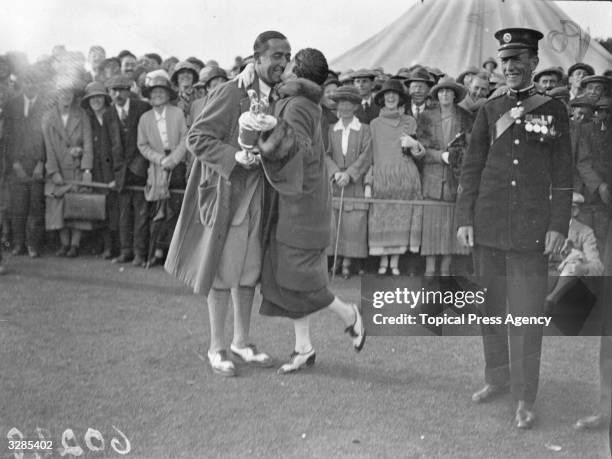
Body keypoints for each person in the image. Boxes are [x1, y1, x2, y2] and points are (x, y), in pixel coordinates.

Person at [456, 28, 572, 429]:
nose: (510, 67)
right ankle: (498, 379)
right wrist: (464, 219)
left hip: (530, 230)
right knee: (490, 311)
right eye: (505, 60)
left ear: (534, 64)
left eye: (518, 60)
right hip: (488, 226)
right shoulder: (490, 109)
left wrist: (559, 225)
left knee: (524, 316)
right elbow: (472, 167)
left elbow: (562, 173)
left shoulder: (553, 110)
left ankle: (525, 397)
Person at [165, 30, 291, 377]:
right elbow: (196, 138)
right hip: (228, 196)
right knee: (222, 273)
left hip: (259, 196)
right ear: (257, 57)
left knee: (249, 273)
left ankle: (242, 341)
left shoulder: (276, 96)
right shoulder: (230, 91)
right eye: (276, 56)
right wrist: (235, 155)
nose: (282, 62)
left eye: (286, 56)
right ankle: (216, 347)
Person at [255, 48, 366, 373]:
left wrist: (266, 139)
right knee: (289, 279)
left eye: (288, 64)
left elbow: (298, 148)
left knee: (298, 277)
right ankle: (303, 348)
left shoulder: (300, 103)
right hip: (298, 200)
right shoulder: (302, 101)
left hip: (300, 204)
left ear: (297, 71)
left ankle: (350, 315)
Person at [366, 79, 424, 276]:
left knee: (401, 220)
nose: (391, 97)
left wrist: (414, 145)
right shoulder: (373, 124)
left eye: (395, 94)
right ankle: (383, 261)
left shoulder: (410, 121)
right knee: (382, 219)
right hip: (382, 178)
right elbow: (370, 155)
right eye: (387, 94)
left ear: (400, 98)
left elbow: (418, 153)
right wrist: (369, 180)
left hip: (405, 177)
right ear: (382, 98)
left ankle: (395, 262)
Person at [419, 76, 473, 276]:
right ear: (436, 95)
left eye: (449, 91)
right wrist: (441, 156)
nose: (445, 95)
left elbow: (471, 146)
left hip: (456, 178)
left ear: (455, 95)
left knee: (451, 225)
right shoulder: (426, 116)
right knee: (432, 224)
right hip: (433, 178)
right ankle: (430, 269)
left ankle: (445, 269)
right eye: (441, 91)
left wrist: (459, 157)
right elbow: (421, 148)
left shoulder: (466, 117)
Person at [137, 76, 187, 268]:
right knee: (158, 212)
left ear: (168, 95)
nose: (157, 95)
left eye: (161, 91)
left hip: (177, 167)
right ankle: (156, 252)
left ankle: (175, 255)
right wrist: (160, 160)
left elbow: (185, 138)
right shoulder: (145, 118)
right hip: (157, 168)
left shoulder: (177, 113)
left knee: (176, 210)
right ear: (149, 96)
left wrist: (173, 159)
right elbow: (142, 145)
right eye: (154, 92)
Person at [42, 81, 94, 258]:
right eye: (62, 92)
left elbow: (88, 143)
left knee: (77, 203)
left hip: (77, 167)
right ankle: (64, 244)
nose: (66, 96)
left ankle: (75, 245)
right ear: (56, 94)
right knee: (58, 205)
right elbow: (48, 147)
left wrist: (87, 169)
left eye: (69, 93)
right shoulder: (48, 117)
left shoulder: (82, 115)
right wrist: (53, 171)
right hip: (58, 167)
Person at [325, 85, 372, 278]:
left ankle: (348, 262)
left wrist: (350, 173)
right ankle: (335, 261)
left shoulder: (364, 129)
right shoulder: (330, 130)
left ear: (355, 107)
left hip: (355, 182)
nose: (343, 107)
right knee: (335, 222)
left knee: (353, 223)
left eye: (348, 104)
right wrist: (335, 173)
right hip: (335, 183)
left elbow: (367, 155)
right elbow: (325, 154)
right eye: (340, 104)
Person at [105, 75, 151, 266]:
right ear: (109, 93)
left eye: (122, 89)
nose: (118, 94)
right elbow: (107, 148)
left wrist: (141, 169)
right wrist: (111, 176)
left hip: (140, 171)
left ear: (129, 90)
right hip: (120, 174)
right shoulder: (108, 114)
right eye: (114, 90)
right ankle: (126, 251)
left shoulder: (142, 108)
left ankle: (140, 253)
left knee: (141, 215)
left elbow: (148, 138)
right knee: (123, 215)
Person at [4, 66, 47, 258]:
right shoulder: (12, 104)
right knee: (18, 207)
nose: (30, 85)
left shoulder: (47, 105)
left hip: (37, 164)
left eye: (34, 81)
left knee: (35, 207)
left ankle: (33, 245)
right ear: (22, 83)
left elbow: (48, 138)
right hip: (17, 165)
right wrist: (14, 163)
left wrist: (41, 162)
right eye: (27, 81)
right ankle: (18, 244)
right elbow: (8, 137)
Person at [81, 81, 116, 259]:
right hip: (95, 170)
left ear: (105, 98)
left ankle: (110, 246)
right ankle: (99, 245)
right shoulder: (87, 119)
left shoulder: (112, 115)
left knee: (111, 210)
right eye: (92, 97)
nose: (96, 100)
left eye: (99, 97)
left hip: (111, 171)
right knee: (96, 208)